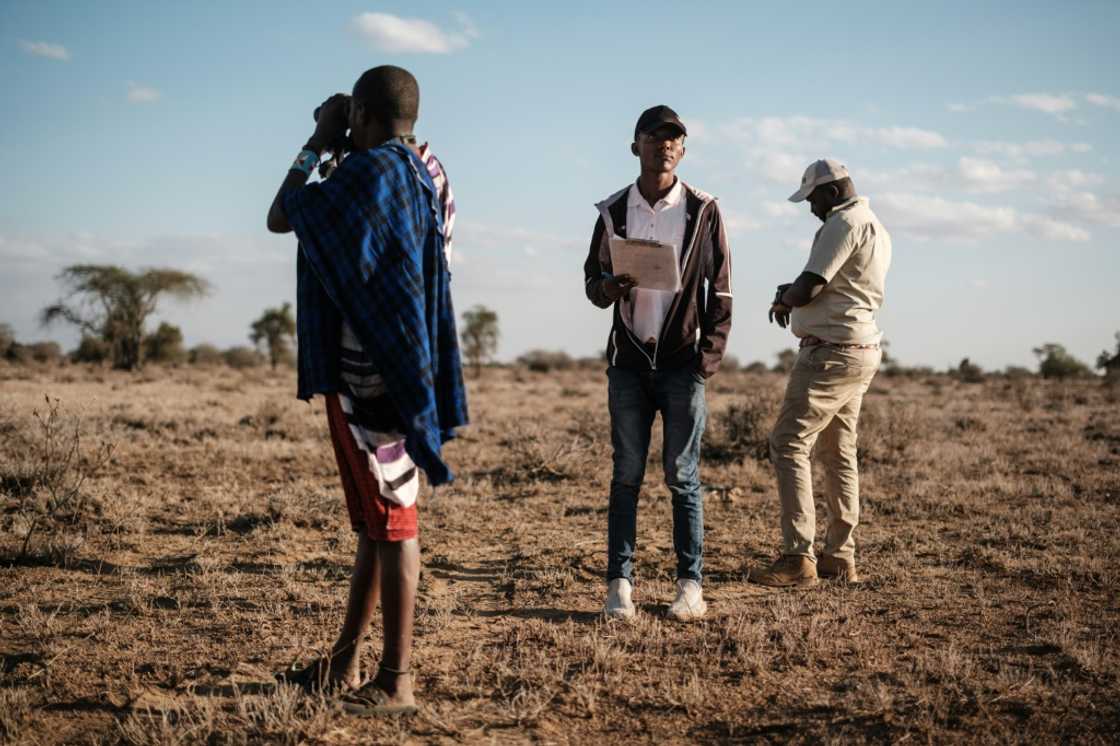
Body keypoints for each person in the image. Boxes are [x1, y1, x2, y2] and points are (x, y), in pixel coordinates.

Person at [266, 65, 468, 715]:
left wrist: (317, 140)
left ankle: (397, 680)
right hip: (396, 372)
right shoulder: (425, 171)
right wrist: (345, 139)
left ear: (364, 114)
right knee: (375, 530)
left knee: (396, 527)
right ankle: (347, 663)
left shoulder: (369, 173)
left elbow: (281, 213)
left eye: (352, 114)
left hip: (373, 382)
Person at [583, 105, 733, 621]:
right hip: (628, 363)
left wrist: (704, 361)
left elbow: (723, 290)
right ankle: (618, 587)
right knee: (626, 475)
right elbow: (591, 285)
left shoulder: (703, 209)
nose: (664, 145)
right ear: (636, 146)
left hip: (680, 364)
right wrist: (609, 286)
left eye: (674, 139)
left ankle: (690, 588)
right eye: (654, 137)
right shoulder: (612, 210)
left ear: (683, 150)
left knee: (682, 476)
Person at [751, 159, 891, 588]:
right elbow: (834, 286)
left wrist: (784, 301)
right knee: (838, 451)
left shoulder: (841, 223)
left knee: (788, 442)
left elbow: (813, 282)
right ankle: (840, 556)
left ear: (830, 191)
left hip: (828, 353)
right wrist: (792, 293)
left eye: (812, 198)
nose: (811, 207)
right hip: (861, 348)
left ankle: (797, 558)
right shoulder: (875, 226)